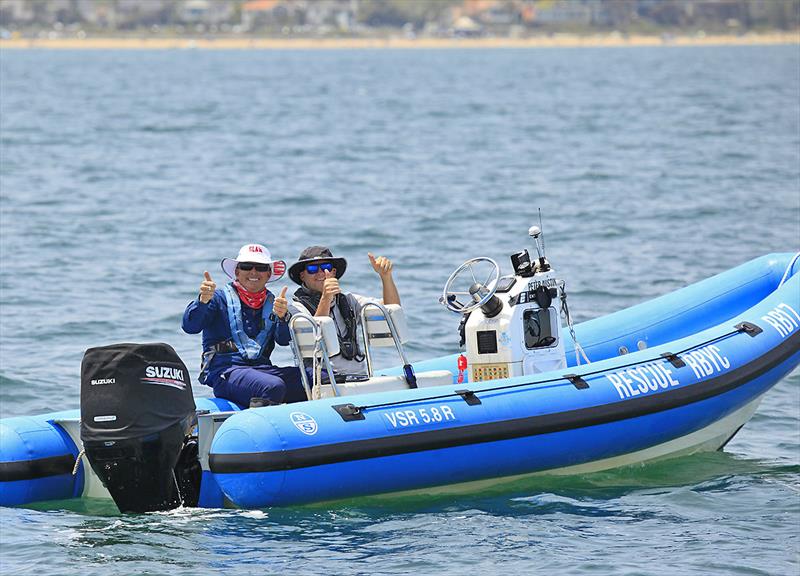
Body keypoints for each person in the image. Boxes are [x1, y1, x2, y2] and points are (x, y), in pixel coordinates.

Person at [182, 243, 307, 408]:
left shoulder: (275, 303)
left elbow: (283, 340)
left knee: (314, 377)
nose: (253, 272)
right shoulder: (217, 298)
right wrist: (202, 301)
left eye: (261, 267)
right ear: (237, 272)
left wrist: (283, 318)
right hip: (225, 371)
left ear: (269, 274)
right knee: (272, 386)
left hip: (262, 369)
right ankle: (259, 429)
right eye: (247, 266)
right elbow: (190, 327)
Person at [288, 245, 401, 378]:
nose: (320, 273)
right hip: (323, 380)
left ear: (334, 272)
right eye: (312, 269)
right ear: (302, 276)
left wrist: (385, 277)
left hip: (359, 376)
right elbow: (315, 341)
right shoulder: (296, 308)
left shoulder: (348, 300)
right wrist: (326, 297)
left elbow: (392, 311)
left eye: (326, 268)